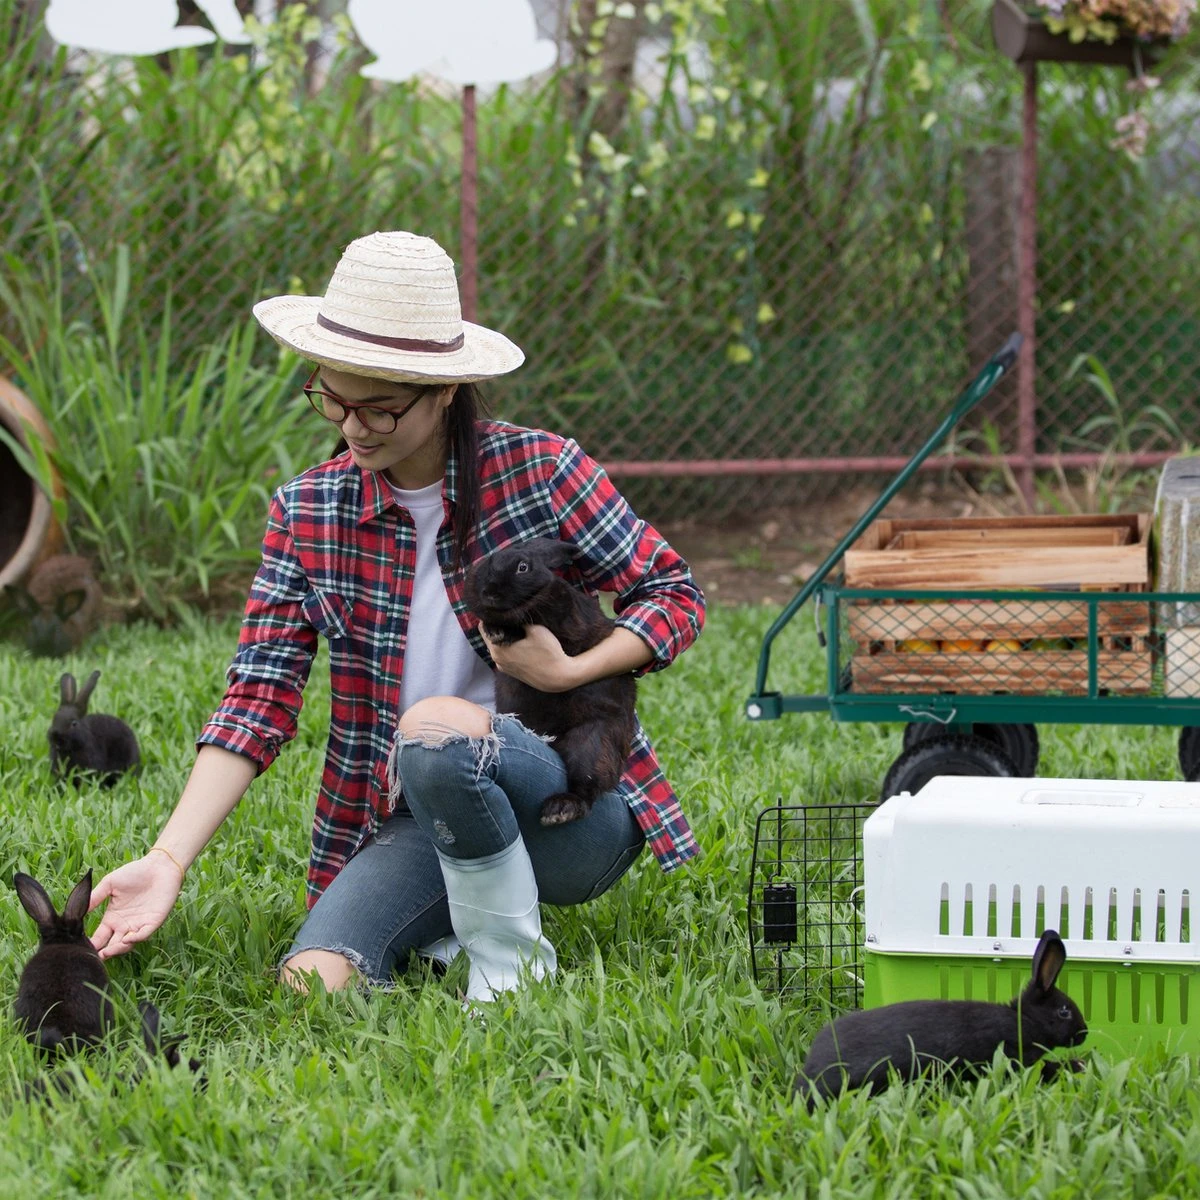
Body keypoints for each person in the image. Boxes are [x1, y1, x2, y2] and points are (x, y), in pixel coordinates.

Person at [88, 230, 705, 1002]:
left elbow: (674, 591)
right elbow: (258, 697)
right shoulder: (308, 511)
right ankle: (450, 923)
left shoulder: (542, 469)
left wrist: (576, 669)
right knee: (311, 986)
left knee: (437, 727)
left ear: (445, 389)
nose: (352, 428)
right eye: (333, 399)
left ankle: (508, 964)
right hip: (416, 811)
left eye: (379, 409)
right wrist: (168, 858)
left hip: (569, 804)